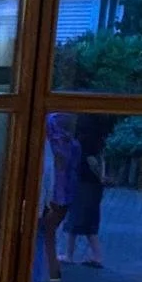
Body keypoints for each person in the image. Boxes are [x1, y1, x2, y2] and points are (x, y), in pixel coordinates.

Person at [33, 112, 80, 282]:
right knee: (49, 235)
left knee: (44, 235)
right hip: (66, 197)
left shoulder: (51, 146)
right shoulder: (74, 145)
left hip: (51, 196)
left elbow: (49, 174)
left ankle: (48, 274)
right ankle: (52, 273)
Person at [62, 113, 115, 268]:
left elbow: (91, 161)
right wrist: (102, 177)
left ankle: (70, 254)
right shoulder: (99, 140)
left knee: (77, 217)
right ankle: (94, 255)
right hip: (93, 185)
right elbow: (101, 159)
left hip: (84, 182)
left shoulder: (84, 141)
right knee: (88, 219)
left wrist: (100, 175)